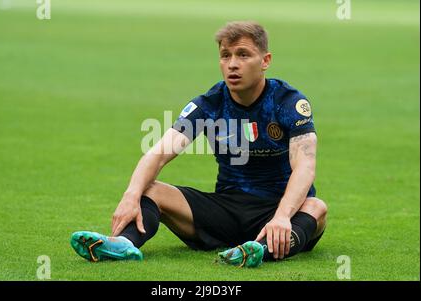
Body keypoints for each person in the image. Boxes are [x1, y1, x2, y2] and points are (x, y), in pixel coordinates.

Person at [70, 21, 328, 267]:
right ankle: (123, 244)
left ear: (265, 61)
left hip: (279, 208)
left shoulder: (287, 102)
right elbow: (159, 153)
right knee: (150, 190)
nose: (232, 65)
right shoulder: (211, 104)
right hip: (226, 209)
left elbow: (305, 166)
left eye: (243, 55)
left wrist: (282, 216)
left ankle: (258, 251)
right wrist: (131, 195)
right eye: (225, 55)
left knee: (316, 208)